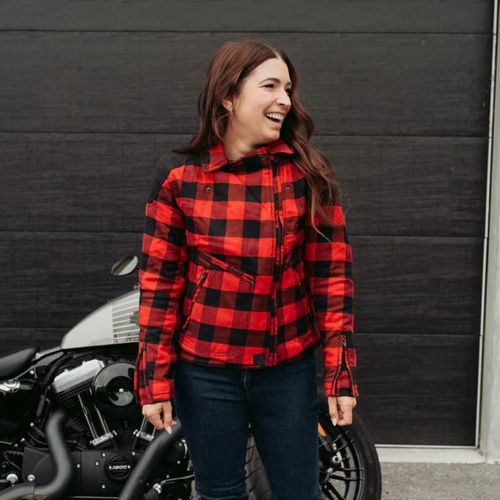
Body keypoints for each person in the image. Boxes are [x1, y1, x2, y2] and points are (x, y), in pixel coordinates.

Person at [133, 39, 358, 500]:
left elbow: (332, 281)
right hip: (205, 372)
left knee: (300, 493)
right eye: (270, 86)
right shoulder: (179, 176)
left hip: (287, 371)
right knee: (219, 493)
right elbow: (159, 285)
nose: (285, 100)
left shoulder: (308, 175)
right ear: (228, 97)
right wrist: (153, 380)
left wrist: (340, 374)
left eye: (288, 89)